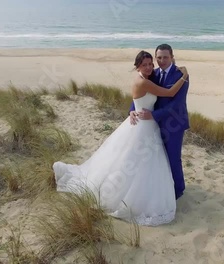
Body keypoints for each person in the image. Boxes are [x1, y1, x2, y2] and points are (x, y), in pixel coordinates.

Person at [53, 50, 189, 226]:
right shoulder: (146, 79)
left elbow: (173, 102)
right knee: (136, 161)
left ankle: (176, 189)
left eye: (151, 63)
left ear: (171, 57)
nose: (150, 66)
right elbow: (168, 93)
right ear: (138, 66)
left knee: (153, 160)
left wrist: (136, 110)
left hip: (156, 123)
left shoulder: (151, 75)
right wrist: (185, 75)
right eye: (146, 63)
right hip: (145, 125)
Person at [129, 44, 190, 200]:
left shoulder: (181, 75)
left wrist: (154, 115)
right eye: (159, 57)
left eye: (165, 57)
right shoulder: (152, 73)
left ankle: (178, 190)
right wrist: (132, 109)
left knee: (173, 157)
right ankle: (162, 187)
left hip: (173, 123)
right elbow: (139, 93)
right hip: (153, 124)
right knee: (157, 158)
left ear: (172, 57)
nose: (162, 60)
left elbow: (177, 104)